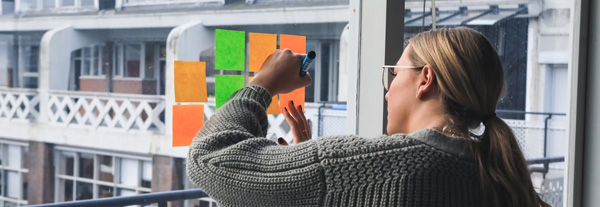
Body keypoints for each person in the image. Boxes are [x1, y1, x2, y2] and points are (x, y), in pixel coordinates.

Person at [186, 27, 550, 207]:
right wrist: (307, 167)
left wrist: (262, 82)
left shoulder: (376, 165)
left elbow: (209, 159)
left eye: (394, 73)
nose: (388, 90)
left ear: (425, 79)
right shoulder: (500, 176)